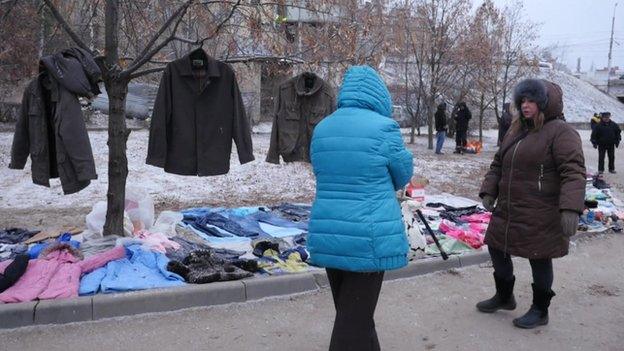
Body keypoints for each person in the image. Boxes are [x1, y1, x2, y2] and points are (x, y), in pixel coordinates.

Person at [308, 66, 413, 351]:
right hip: (369, 236)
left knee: (353, 315)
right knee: (351, 326)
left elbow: (320, 171)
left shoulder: (322, 128)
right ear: (379, 95)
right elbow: (402, 176)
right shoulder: (384, 128)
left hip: (329, 231)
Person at [478, 78, 586, 329]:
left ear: (545, 103)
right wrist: (489, 190)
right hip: (508, 206)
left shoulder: (561, 132)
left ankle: (540, 310)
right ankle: (505, 296)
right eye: (522, 100)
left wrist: (571, 208)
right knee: (496, 246)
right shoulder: (517, 129)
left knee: (539, 257)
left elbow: (573, 172)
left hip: (541, 209)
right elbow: (498, 163)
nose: (526, 106)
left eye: (532, 101)